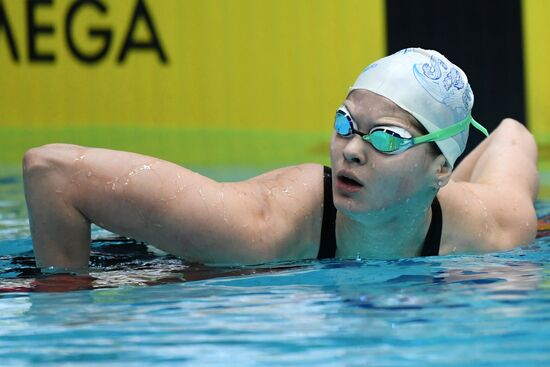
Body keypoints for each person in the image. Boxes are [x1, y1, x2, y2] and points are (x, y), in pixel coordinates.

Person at [22, 48, 539, 274]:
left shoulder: (496, 225)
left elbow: (512, 134)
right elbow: (52, 172)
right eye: (343, 123)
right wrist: (70, 300)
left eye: (385, 138)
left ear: (443, 168)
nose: (351, 150)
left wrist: (422, 187)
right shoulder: (253, 229)